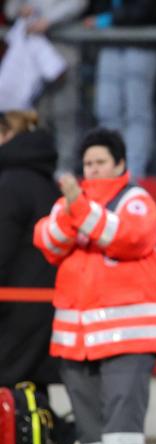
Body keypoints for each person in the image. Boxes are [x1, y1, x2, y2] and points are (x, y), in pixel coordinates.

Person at [33, 128, 156, 444]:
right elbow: (47, 241)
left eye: (100, 163)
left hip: (129, 336)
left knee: (121, 417)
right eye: (87, 163)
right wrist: (77, 209)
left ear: (120, 164)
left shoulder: (135, 200)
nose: (92, 170)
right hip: (76, 340)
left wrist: (78, 210)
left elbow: (127, 238)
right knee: (90, 423)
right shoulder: (73, 203)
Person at [0, 110, 60, 392]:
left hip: (13, 307)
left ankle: (61, 433)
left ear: (7, 136)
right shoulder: (48, 182)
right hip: (44, 304)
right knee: (31, 393)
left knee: (11, 393)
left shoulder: (10, 184)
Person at [3, 1, 88, 173]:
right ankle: (35, 167)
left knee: (65, 115)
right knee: (34, 117)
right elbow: (10, 8)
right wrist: (21, 10)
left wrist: (48, 20)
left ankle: (65, 171)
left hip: (63, 53)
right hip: (29, 60)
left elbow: (78, 3)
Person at [84, 0, 156, 180]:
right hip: (110, 41)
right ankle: (108, 169)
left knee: (136, 113)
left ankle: (133, 174)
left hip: (143, 39)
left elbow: (148, 9)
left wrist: (111, 19)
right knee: (106, 109)